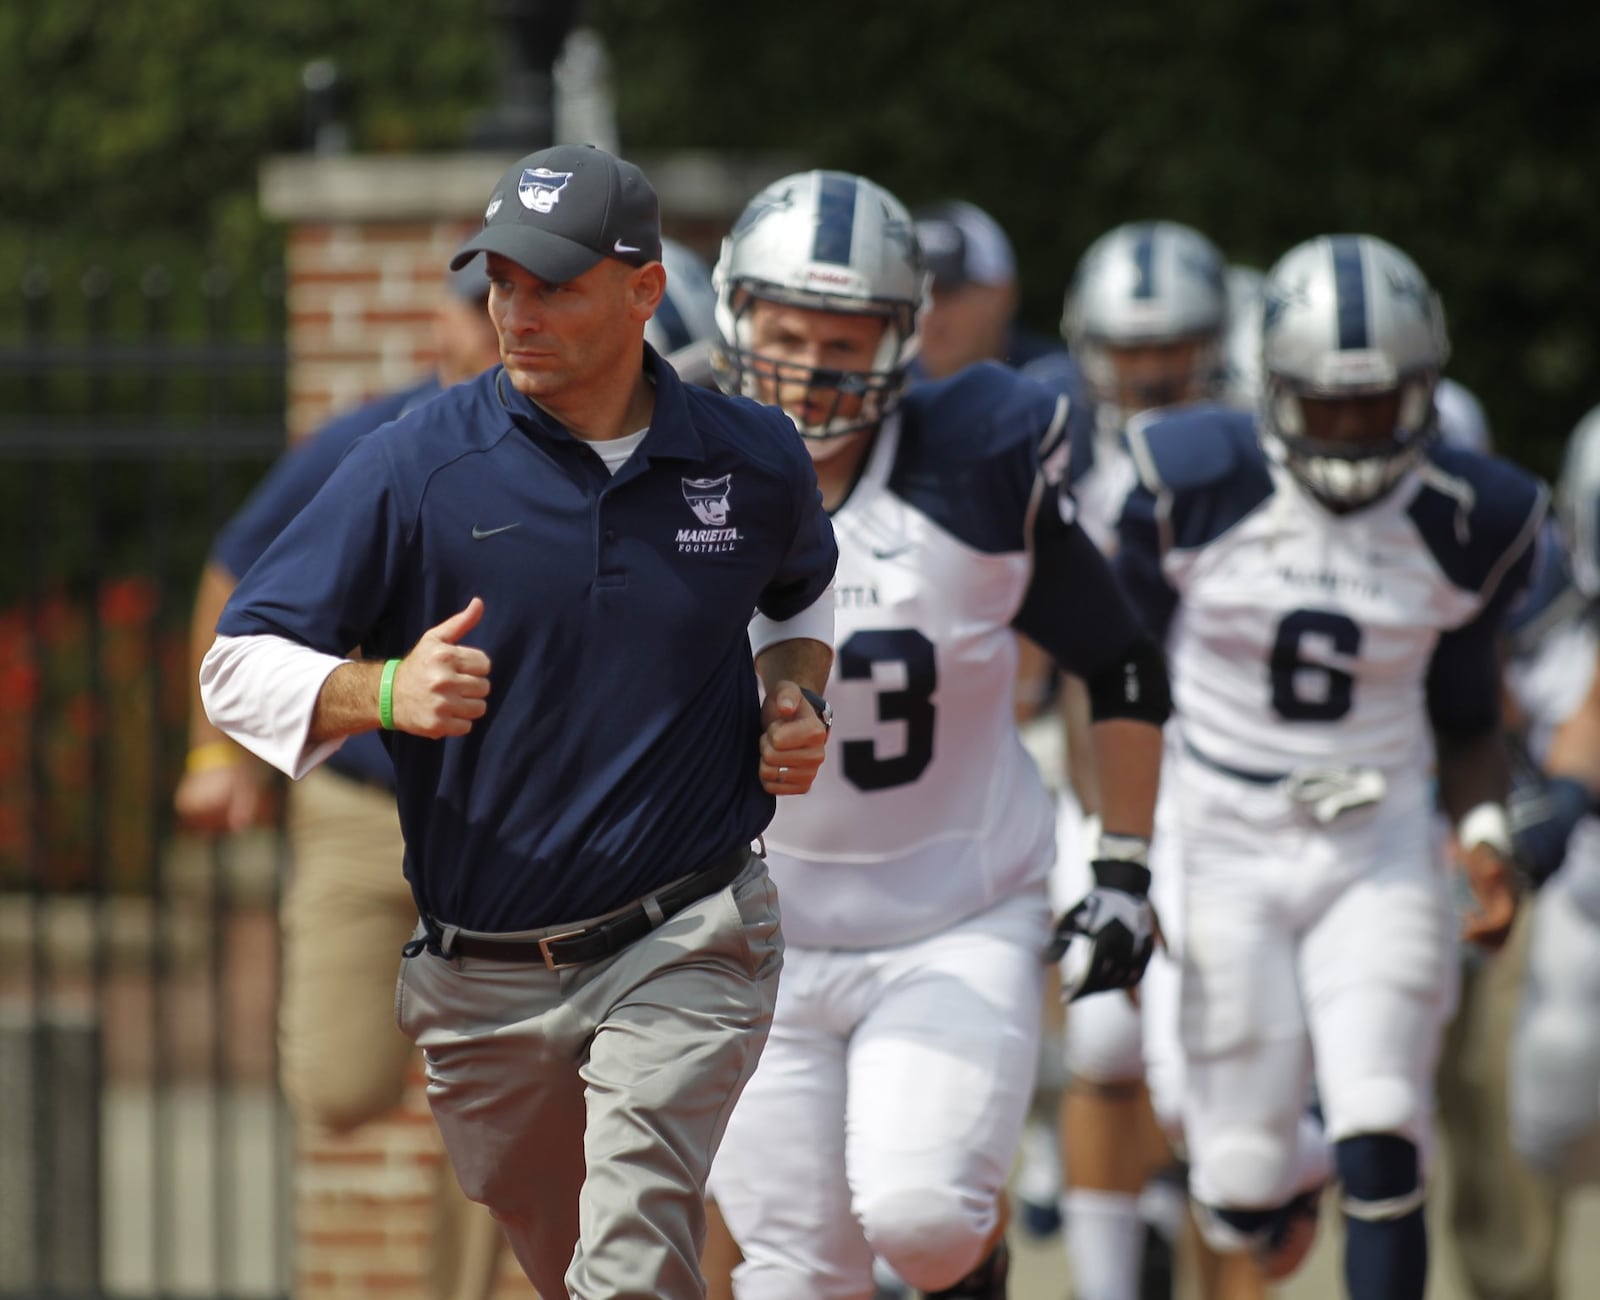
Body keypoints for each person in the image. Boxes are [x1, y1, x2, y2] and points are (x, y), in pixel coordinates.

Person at [198, 143, 841, 1300]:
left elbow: (797, 595)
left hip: (685, 935)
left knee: (631, 1258)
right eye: (500, 281)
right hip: (483, 974)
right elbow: (233, 668)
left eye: (553, 285)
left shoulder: (753, 459)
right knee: (568, 1269)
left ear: (644, 290)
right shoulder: (411, 467)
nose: (514, 311)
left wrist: (795, 692)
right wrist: (383, 692)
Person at [703, 168, 1169, 1300]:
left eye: (845, 337)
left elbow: (1120, 662)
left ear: (903, 341)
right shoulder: (677, 469)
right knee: (794, 1275)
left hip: (952, 916)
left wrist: (1121, 864)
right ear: (734, 314)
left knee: (920, 1218)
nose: (813, 365)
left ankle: (978, 1267)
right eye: (788, 329)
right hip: (748, 933)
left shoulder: (979, 461)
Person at [1111, 233, 1543, 1300]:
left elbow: (1463, 708)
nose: (1352, 430)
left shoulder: (1473, 515)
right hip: (1221, 829)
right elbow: (1116, 681)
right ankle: (1281, 1183)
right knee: (1238, 1182)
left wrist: (1482, 835)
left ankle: (1345, 1167)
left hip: (1380, 837)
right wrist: (1118, 842)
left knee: (1383, 1114)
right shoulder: (1187, 480)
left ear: (1426, 389)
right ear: (1272, 390)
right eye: (1327, 403)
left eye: (1376, 402)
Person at [174, 262, 508, 1300]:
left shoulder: (587, 451)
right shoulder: (376, 440)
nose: (501, 321)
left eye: (528, 295)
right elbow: (234, 579)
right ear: (440, 321)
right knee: (338, 1082)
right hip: (363, 805)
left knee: (497, 1106)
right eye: (481, 299)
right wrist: (215, 754)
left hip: (512, 831)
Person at [1042, 220, 1249, 1300]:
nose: (1153, 367)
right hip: (1105, 770)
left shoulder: (1263, 444)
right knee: (1107, 1040)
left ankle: (1197, 1231)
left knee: (1225, 1070)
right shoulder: (1053, 442)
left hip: (1234, 788)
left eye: (1174, 342)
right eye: (1130, 345)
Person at [910, 199, 1065, 379]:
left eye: (947, 291)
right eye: (916, 295)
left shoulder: (1061, 385)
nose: (929, 312)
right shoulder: (880, 392)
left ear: (1003, 294)